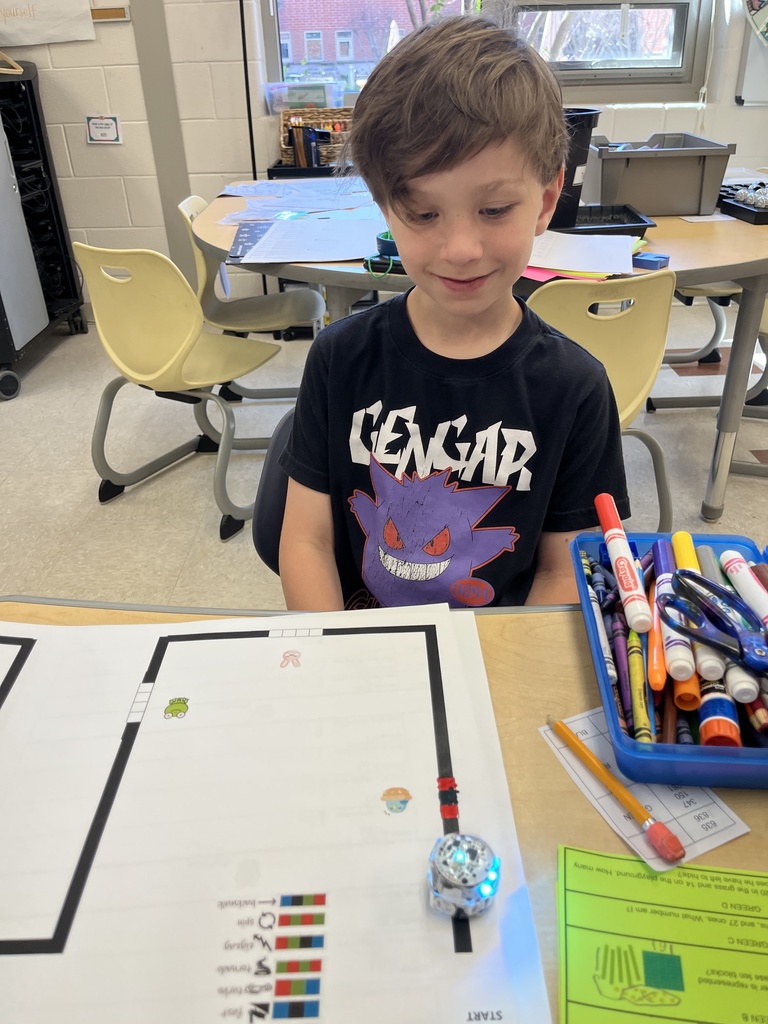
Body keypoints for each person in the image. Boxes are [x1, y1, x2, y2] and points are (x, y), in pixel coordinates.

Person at [278, 13, 629, 611]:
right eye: (423, 213)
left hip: (498, 661)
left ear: (546, 201)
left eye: (494, 210)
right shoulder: (340, 360)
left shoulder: (574, 388)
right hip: (364, 653)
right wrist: (336, 661)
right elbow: (306, 541)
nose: (461, 250)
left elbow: (565, 573)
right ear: (385, 206)